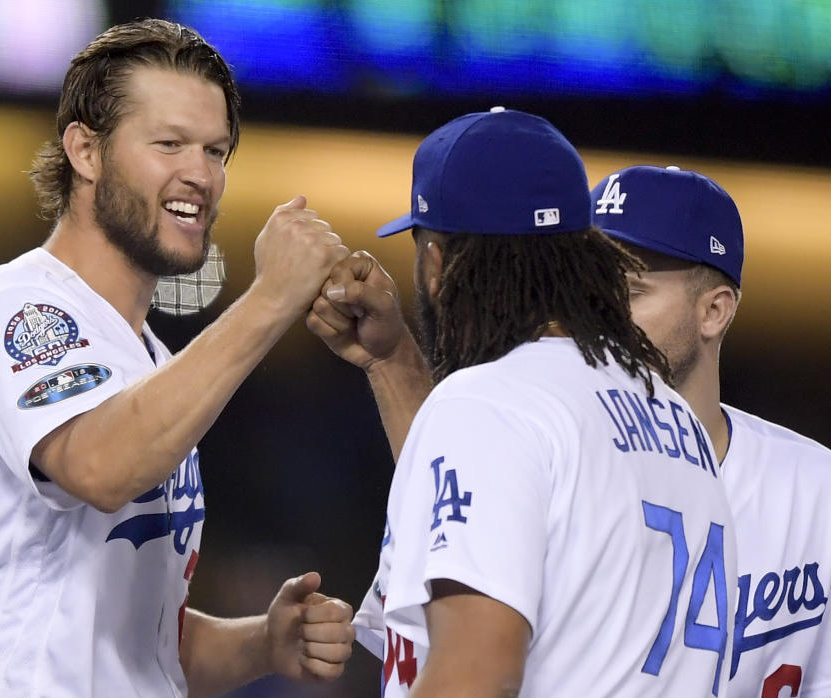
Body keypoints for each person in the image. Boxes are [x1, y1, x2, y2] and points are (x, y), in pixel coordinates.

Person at [0, 19, 354, 698]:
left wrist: (263, 641)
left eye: (216, 150)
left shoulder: (149, 363)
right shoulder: (20, 308)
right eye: (169, 143)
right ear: (85, 150)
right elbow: (99, 466)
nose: (199, 174)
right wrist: (271, 299)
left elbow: (139, 645)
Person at [307, 107, 738, 696]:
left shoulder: (492, 404)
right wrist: (393, 363)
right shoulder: (676, 420)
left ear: (437, 264)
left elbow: (475, 676)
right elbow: (500, 500)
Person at [591, 165, 831, 697]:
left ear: (714, 311)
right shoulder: (545, 470)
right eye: (586, 291)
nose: (598, 318)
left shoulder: (816, 493)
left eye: (630, 292)